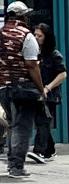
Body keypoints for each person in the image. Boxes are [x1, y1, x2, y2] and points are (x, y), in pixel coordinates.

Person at [0, 1, 46, 180]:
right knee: (23, 126)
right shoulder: (27, 36)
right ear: (23, 17)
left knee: (13, 123)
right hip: (23, 87)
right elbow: (31, 65)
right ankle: (16, 166)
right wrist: (41, 89)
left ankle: (13, 161)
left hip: (2, 87)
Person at [30, 23, 63, 165]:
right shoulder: (34, 54)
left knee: (43, 121)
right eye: (35, 35)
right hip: (36, 93)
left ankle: (39, 151)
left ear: (47, 37)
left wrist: (48, 88)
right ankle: (50, 149)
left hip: (50, 94)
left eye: (40, 36)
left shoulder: (54, 55)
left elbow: (62, 74)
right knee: (42, 121)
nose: (37, 38)